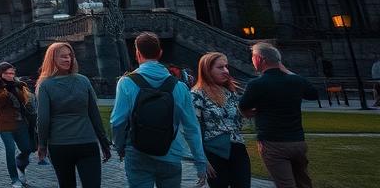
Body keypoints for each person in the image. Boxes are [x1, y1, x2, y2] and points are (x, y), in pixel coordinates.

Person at [110, 32, 208, 188]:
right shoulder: (179, 86)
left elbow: (117, 121)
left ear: (137, 54)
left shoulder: (126, 82)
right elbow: (191, 127)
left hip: (137, 151)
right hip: (171, 151)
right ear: (160, 53)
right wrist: (200, 162)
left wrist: (120, 147)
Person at [239, 42, 319, 188]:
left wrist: (257, 112)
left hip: (272, 142)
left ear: (259, 59)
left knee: (285, 184)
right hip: (298, 142)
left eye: (253, 57)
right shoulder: (296, 81)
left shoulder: (257, 84)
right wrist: (286, 70)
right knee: (304, 182)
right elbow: (314, 93)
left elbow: (243, 107)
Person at [35, 42, 110, 188]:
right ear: (52, 59)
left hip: (65, 144)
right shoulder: (81, 81)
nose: (68, 59)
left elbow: (43, 120)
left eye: (70, 56)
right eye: (63, 57)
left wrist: (42, 145)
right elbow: (43, 119)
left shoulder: (46, 85)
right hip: (80, 143)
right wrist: (103, 142)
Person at [192, 52, 249, 188]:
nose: (226, 71)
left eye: (226, 66)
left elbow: (238, 122)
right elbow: (194, 129)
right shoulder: (197, 94)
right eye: (220, 67)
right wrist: (202, 159)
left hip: (238, 149)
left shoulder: (231, 92)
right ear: (207, 70)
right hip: (214, 152)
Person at [0, 62, 37, 188]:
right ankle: (14, 179)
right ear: (1, 74)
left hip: (20, 122)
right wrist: (6, 90)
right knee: (10, 150)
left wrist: (22, 90)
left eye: (12, 73)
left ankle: (20, 164)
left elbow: (25, 101)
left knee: (27, 148)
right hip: (5, 124)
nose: (10, 75)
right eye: (6, 73)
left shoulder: (19, 85)